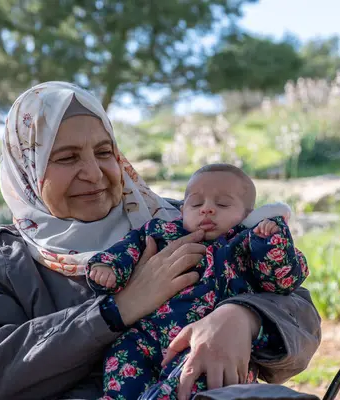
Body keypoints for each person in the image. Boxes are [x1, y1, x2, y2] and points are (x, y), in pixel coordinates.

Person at [0, 81, 322, 400]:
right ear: (27, 170)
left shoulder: (179, 222)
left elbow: (299, 310)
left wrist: (241, 316)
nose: (94, 173)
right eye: (66, 158)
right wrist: (116, 311)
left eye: (104, 152)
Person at [87, 163, 310, 399]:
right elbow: (130, 247)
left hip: (207, 343)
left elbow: (282, 281)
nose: (207, 210)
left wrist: (270, 242)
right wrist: (108, 266)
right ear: (182, 211)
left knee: (195, 378)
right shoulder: (161, 232)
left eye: (222, 204)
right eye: (196, 204)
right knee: (123, 355)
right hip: (147, 334)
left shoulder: (245, 244)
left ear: (247, 215)